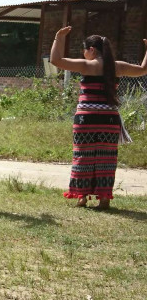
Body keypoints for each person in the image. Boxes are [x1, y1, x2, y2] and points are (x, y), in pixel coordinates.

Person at [51, 27, 147, 209]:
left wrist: (58, 38)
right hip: (109, 121)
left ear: (92, 50)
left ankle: (81, 197)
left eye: (84, 49)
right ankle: (104, 199)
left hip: (85, 119)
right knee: (107, 159)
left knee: (82, 157)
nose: (83, 53)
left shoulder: (87, 66)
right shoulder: (117, 67)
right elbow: (143, 69)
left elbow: (56, 60)